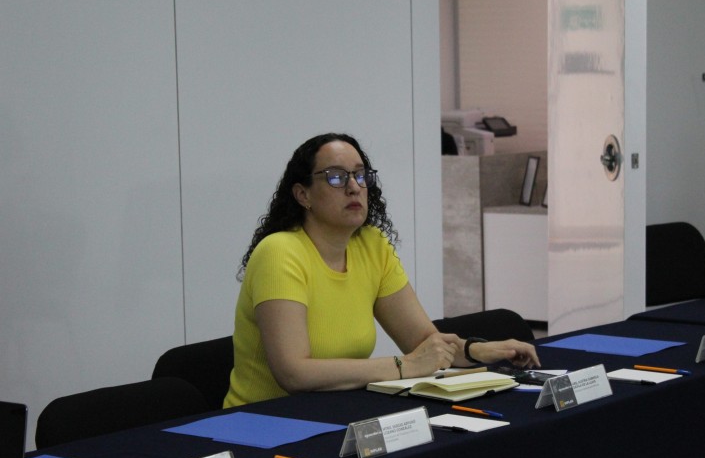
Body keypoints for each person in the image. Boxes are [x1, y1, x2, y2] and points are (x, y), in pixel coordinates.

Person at [223, 133, 540, 408]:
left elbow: (424, 344)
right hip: (262, 423)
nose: (353, 187)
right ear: (302, 194)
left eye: (361, 176)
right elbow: (294, 374)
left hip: (336, 411)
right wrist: (404, 365)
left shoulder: (371, 245)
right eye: (336, 177)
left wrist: (477, 350)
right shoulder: (279, 252)